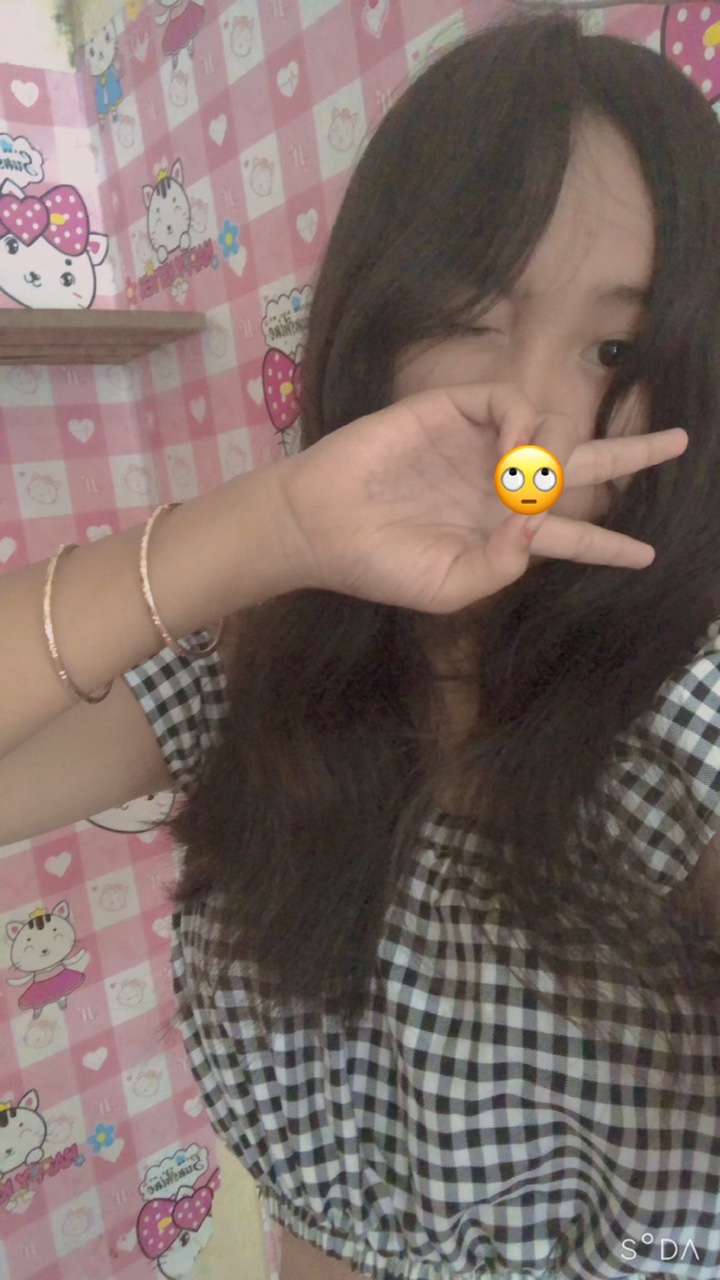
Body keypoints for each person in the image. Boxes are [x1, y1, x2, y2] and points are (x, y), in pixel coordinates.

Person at [2, 8, 720, 1277]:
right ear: (375, 326)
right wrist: (263, 528)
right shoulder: (260, 664)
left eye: (615, 347)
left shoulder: (690, 720)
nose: (532, 413)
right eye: (472, 311)